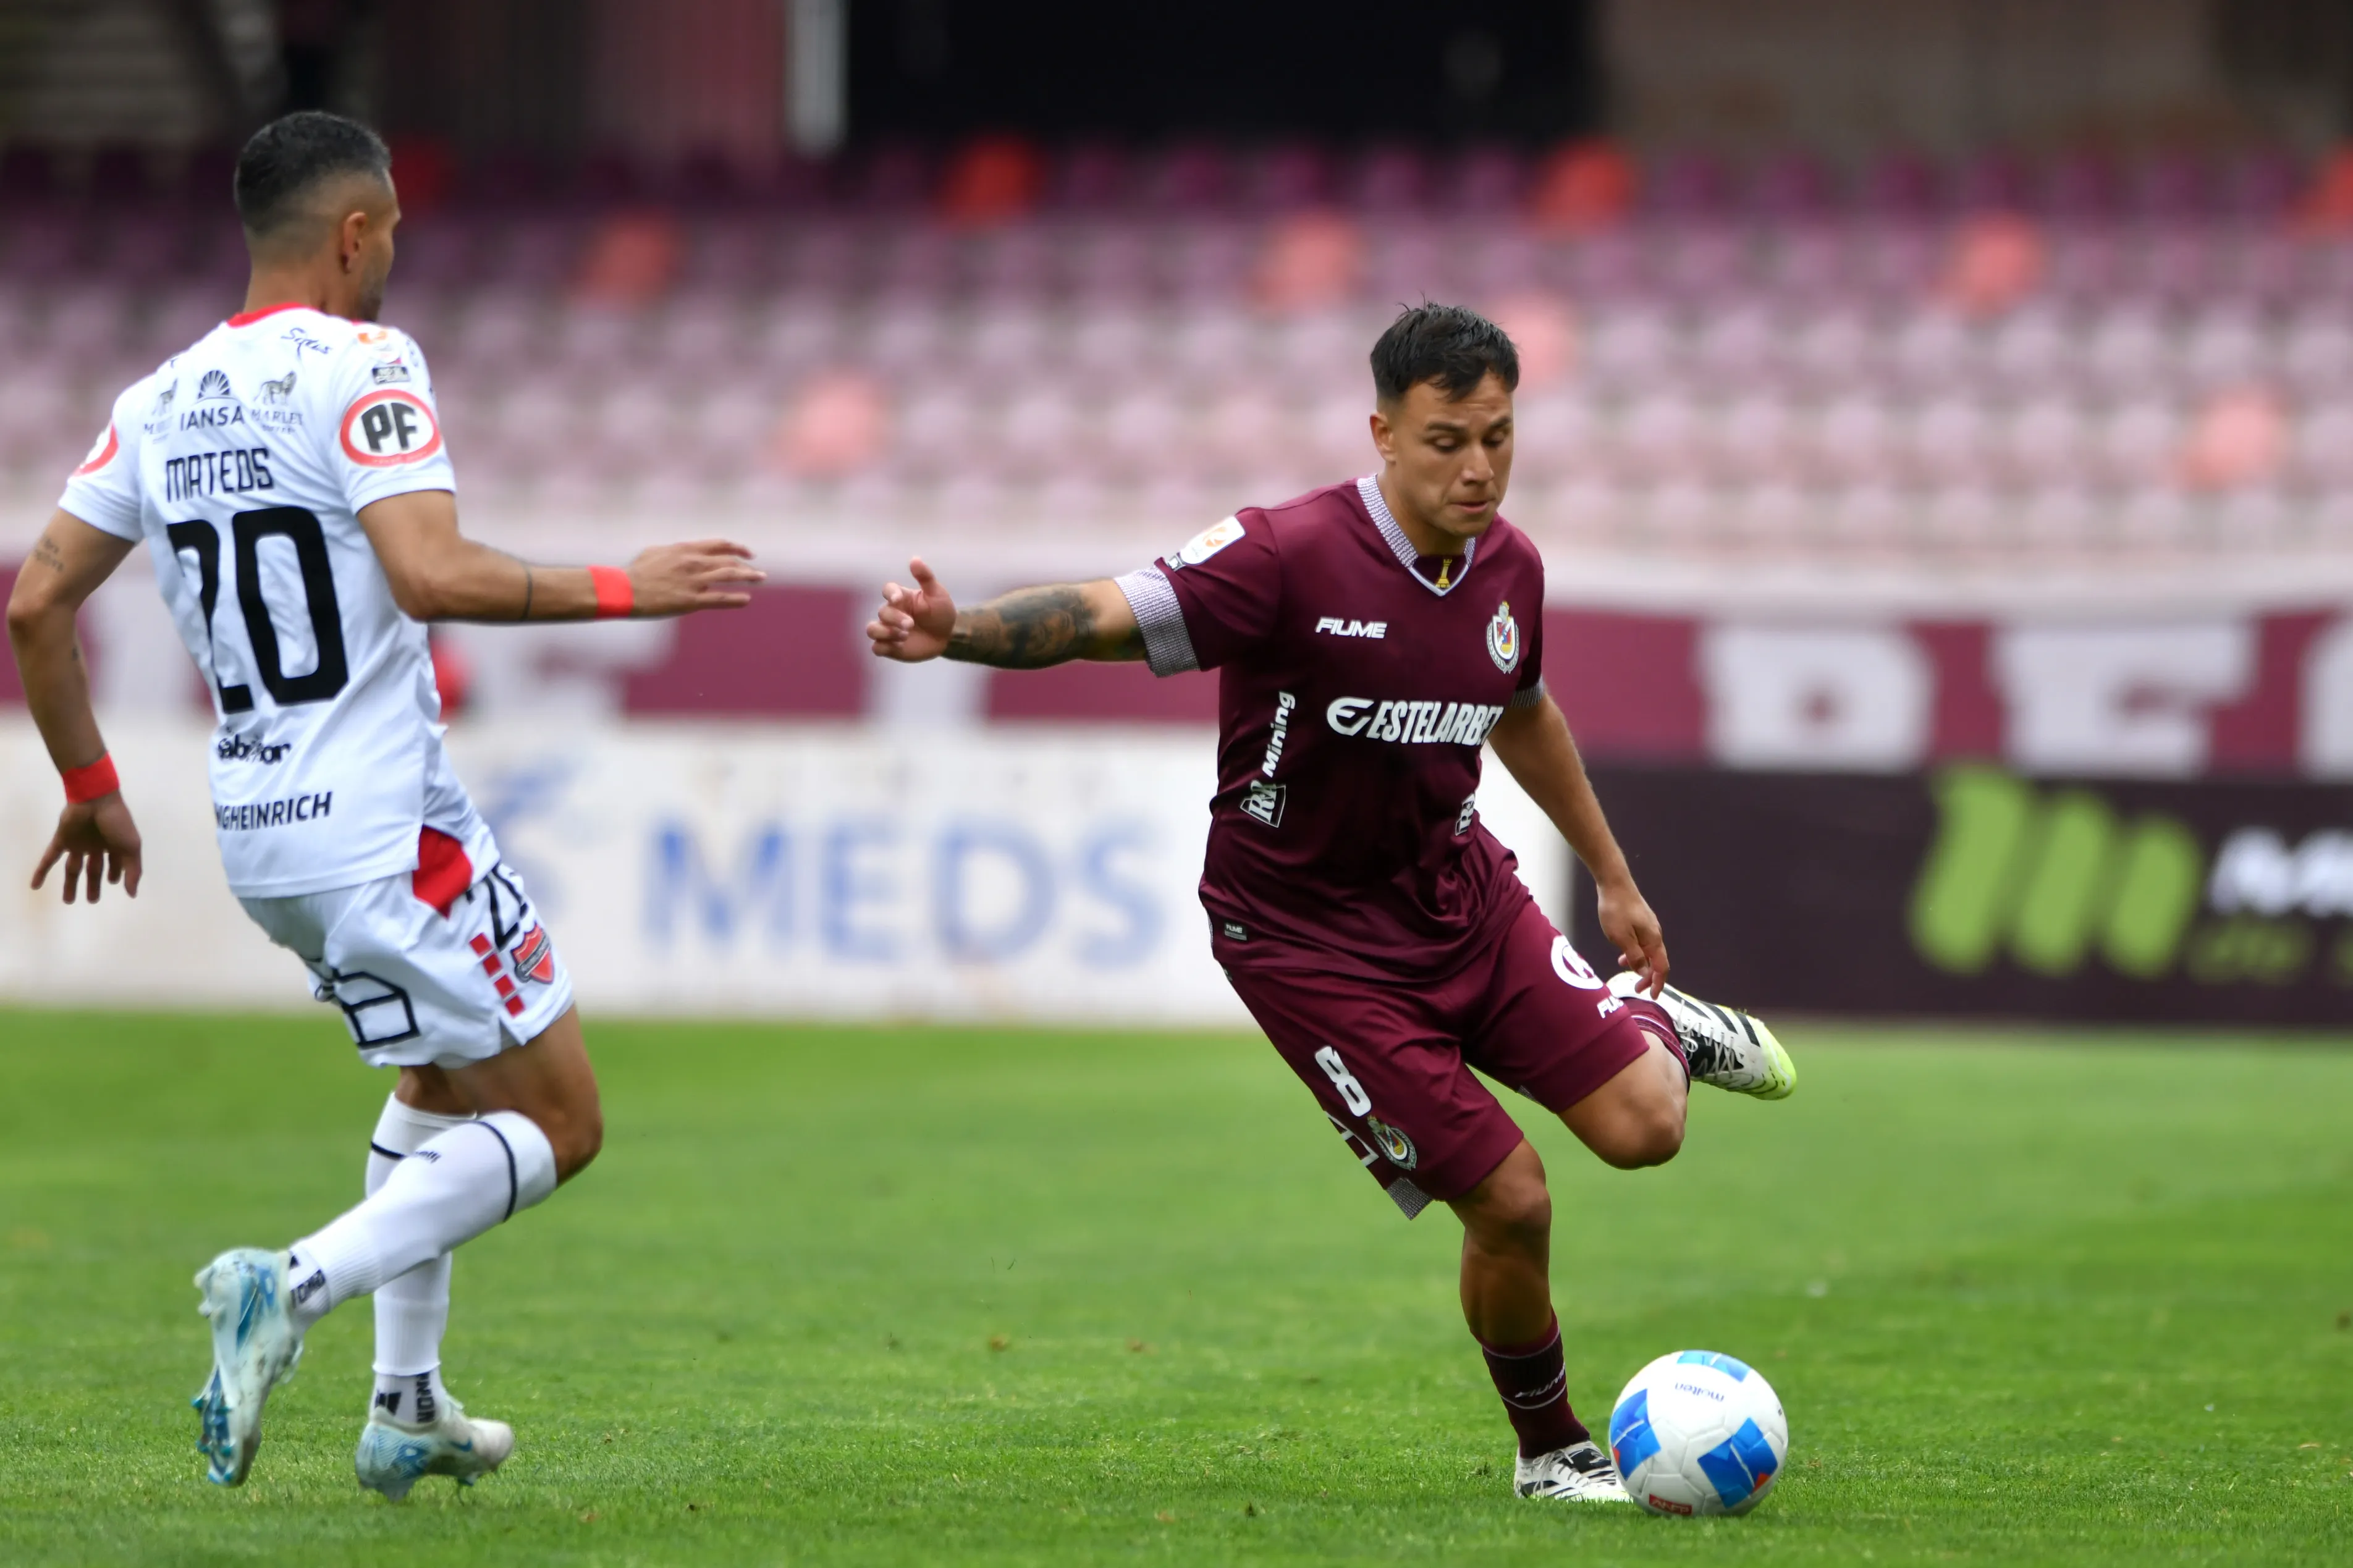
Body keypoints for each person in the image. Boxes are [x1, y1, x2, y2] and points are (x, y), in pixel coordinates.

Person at [865, 303, 1796, 1504]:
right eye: (1447, 440)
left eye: (1499, 438)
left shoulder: (1510, 566)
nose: (1477, 469)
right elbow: (1108, 612)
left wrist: (1611, 877)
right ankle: (1552, 1453)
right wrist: (961, 633)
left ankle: (1654, 1020)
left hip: (1461, 897)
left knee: (1646, 1130)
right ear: (1381, 434)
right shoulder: (1283, 555)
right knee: (1509, 1199)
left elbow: (1521, 706)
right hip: (1308, 944)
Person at [4, 111, 763, 1496]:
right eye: (394, 230)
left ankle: (405, 1408)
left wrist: (93, 786)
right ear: (353, 234)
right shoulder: (366, 363)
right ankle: (284, 1287)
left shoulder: (157, 399)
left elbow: (37, 600)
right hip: (383, 826)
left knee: (434, 1083)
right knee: (561, 1123)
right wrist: (623, 586)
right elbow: (429, 574)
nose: (396, 253)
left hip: (263, 832)